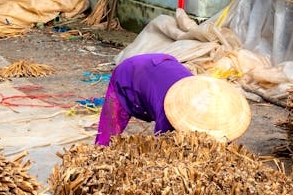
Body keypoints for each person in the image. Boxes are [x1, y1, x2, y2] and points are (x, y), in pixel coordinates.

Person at [94, 52, 252, 145]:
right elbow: (162, 149)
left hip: (164, 65)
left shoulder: (217, 111)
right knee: (107, 134)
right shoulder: (171, 111)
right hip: (131, 72)